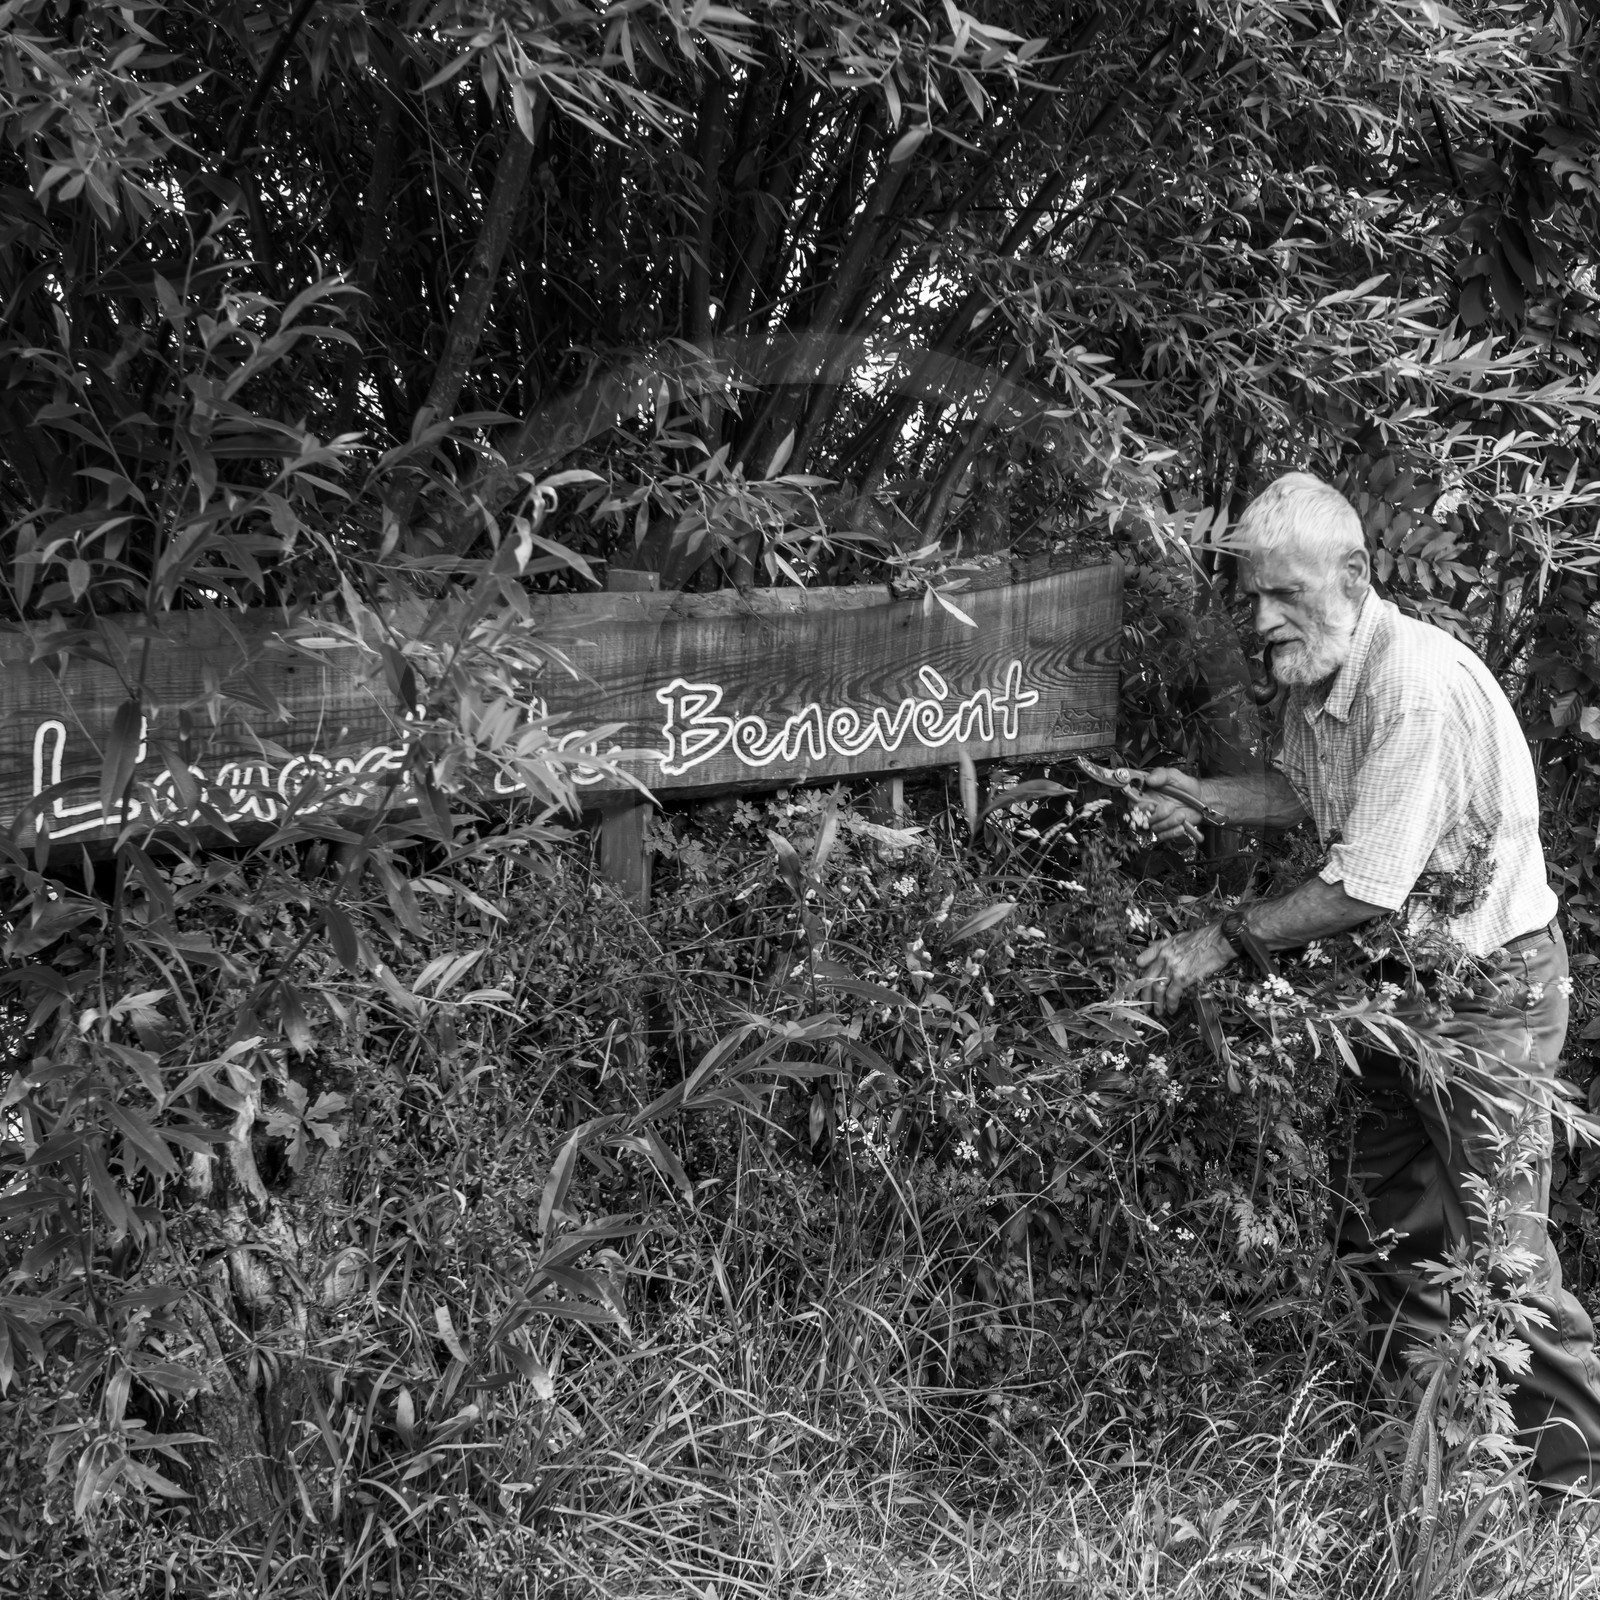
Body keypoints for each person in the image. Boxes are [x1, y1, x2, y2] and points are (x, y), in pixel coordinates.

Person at [1131, 471, 1600, 1492]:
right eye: (1250, 597)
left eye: (1283, 595)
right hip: (1399, 997)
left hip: (1491, 998)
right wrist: (1204, 796)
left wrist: (1217, 938)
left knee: (1502, 1259)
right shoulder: (1323, 678)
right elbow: (1306, 793)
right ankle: (1428, 1462)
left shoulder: (1412, 686)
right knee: (1396, 1227)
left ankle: (1574, 1492)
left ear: (1353, 574)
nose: (1261, 619)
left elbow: (1362, 885)